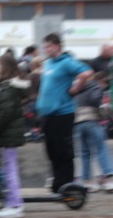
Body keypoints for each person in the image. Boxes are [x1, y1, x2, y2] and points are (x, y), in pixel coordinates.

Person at [36, 32, 93, 193]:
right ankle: (57, 183)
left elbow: (86, 72)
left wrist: (76, 88)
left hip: (62, 113)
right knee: (52, 150)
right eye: (45, 47)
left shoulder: (66, 62)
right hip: (48, 114)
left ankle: (66, 184)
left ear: (58, 46)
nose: (46, 49)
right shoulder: (48, 63)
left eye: (49, 46)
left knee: (63, 151)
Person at [0, 54, 30, 218]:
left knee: (10, 169)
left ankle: (15, 204)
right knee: (10, 168)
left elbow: (5, 112)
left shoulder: (8, 87)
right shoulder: (12, 85)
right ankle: (13, 202)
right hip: (10, 132)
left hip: (8, 133)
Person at [73, 72, 113, 192]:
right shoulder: (95, 86)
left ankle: (87, 183)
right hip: (92, 120)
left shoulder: (76, 88)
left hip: (78, 122)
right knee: (101, 148)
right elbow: (95, 100)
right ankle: (108, 179)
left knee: (84, 153)